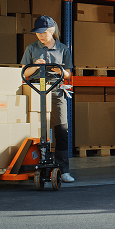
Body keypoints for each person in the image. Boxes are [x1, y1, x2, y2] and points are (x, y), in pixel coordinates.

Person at [20, 15, 75, 183]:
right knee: (36, 130)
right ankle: (33, 166)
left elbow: (68, 74)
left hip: (56, 90)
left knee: (61, 131)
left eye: (43, 32)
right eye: (37, 33)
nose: (40, 36)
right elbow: (23, 73)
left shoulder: (63, 49)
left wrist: (58, 70)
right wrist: (35, 65)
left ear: (51, 31)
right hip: (36, 90)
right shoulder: (31, 48)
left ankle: (63, 170)